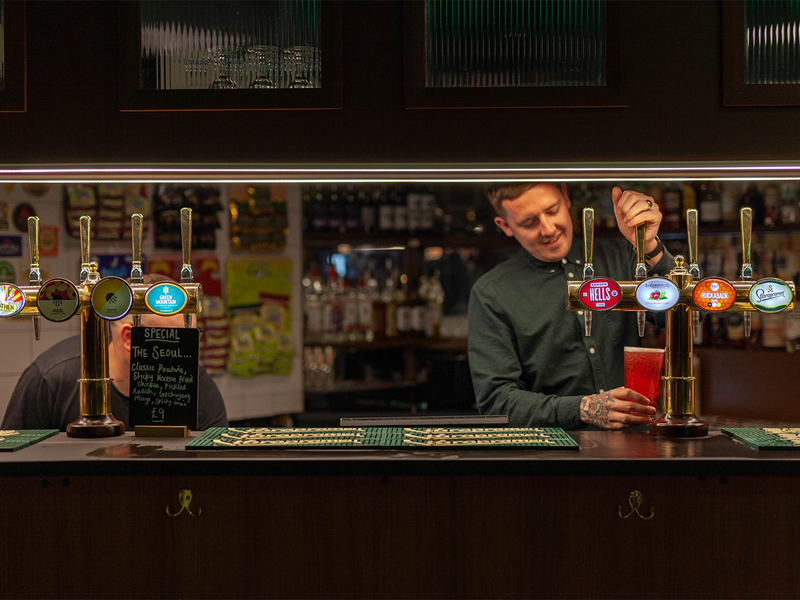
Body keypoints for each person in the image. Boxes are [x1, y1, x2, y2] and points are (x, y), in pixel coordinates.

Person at [468, 183, 675, 430]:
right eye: (528, 222)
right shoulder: (492, 292)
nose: (547, 229)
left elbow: (690, 314)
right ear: (505, 226)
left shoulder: (622, 257)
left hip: (636, 446)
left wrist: (650, 246)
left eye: (552, 210)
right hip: (553, 454)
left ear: (565, 197)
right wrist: (583, 409)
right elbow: (496, 402)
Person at [2, 274, 228, 431]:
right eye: (178, 340)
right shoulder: (52, 377)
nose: (189, 351)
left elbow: (215, 468)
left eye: (193, 338)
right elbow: (12, 461)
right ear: (129, 338)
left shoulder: (196, 383)